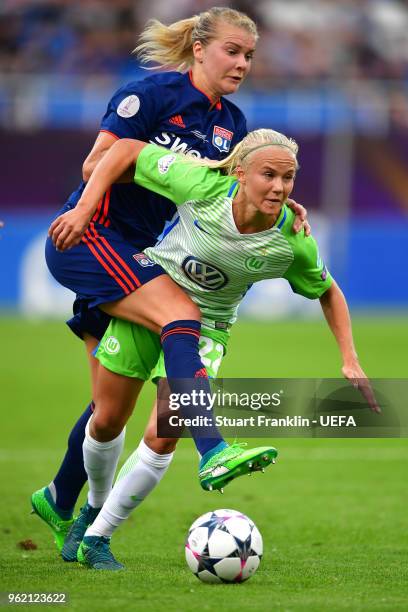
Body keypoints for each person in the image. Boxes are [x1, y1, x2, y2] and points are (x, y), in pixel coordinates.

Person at [31, 7, 308, 558]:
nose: (242, 63)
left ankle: (61, 500)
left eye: (249, 55)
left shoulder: (234, 123)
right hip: (92, 237)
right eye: (232, 50)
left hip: (139, 251)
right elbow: (97, 164)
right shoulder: (151, 95)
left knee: (109, 410)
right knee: (182, 316)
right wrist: (88, 210)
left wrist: (278, 198)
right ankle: (212, 450)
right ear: (200, 48)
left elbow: (231, 188)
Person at [49, 127, 379, 569]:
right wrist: (86, 206)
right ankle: (91, 506)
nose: (279, 187)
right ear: (240, 172)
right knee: (106, 419)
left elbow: (328, 290)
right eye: (269, 175)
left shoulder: (291, 240)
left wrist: (350, 359)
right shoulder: (201, 185)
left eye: (288, 178)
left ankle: (98, 537)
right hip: (151, 299)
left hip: (206, 331)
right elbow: (125, 151)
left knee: (163, 435)